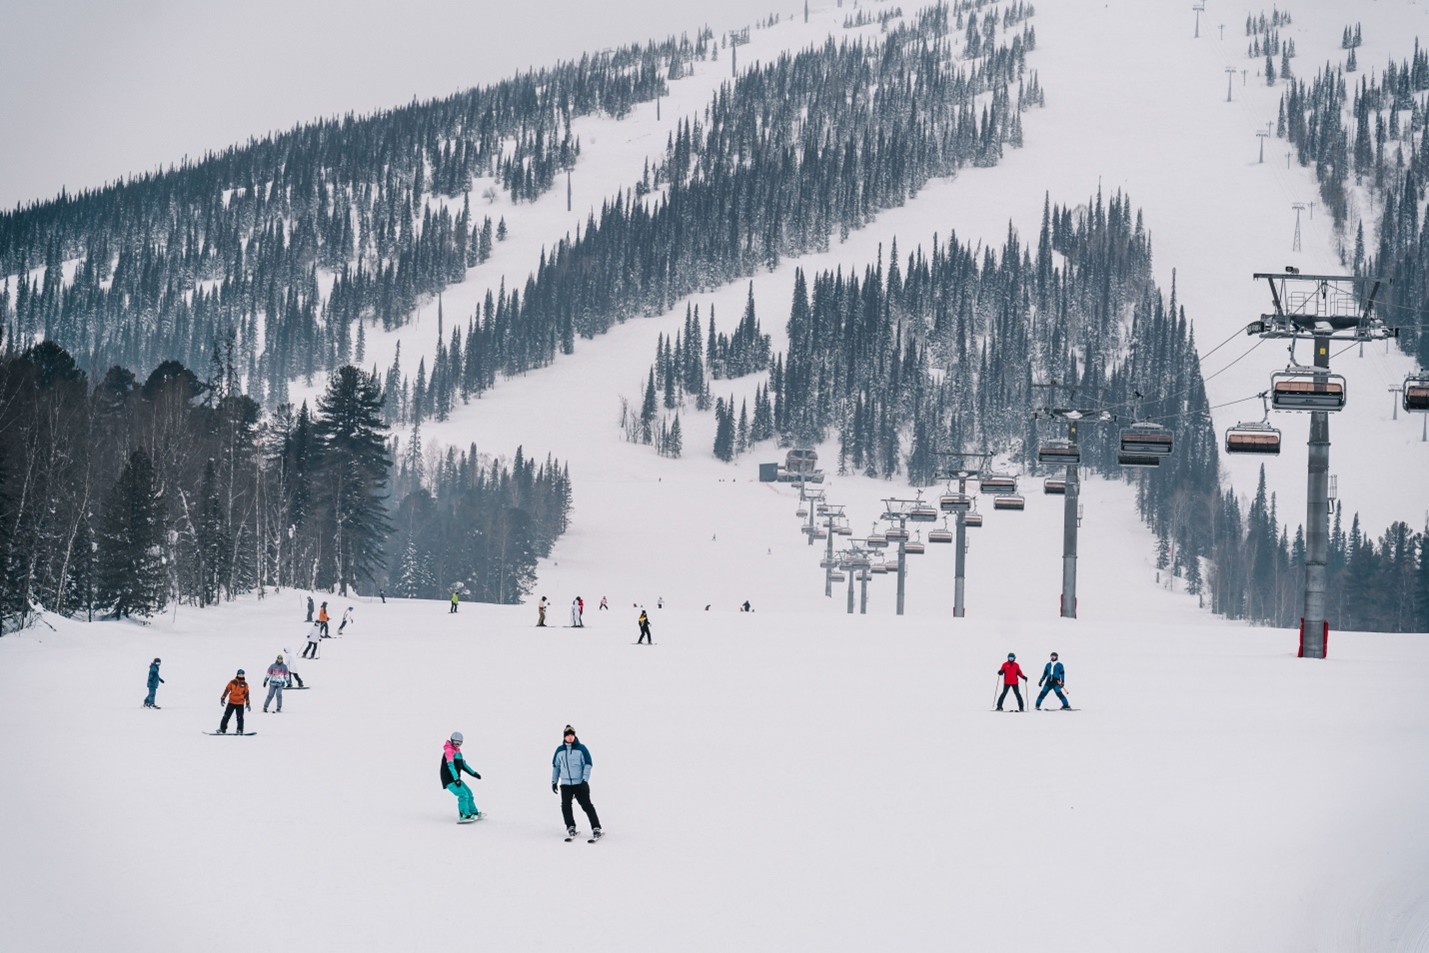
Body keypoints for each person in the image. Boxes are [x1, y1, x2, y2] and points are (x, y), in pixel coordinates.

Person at [552, 725, 602, 839]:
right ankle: (570, 827)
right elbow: (556, 767)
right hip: (565, 784)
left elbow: (588, 764)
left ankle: (596, 828)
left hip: (580, 783)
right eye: (568, 735)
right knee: (566, 806)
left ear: (574, 736)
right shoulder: (559, 750)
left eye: (572, 735)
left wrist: (584, 780)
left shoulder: (581, 749)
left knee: (587, 806)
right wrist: (554, 782)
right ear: (564, 737)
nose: (570, 737)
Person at [440, 731, 483, 821]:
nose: (457, 744)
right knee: (463, 794)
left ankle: (473, 812)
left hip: (456, 779)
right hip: (449, 779)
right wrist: (456, 779)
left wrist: (474, 773)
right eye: (455, 742)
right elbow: (450, 766)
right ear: (451, 741)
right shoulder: (449, 751)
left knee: (469, 793)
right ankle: (464, 814)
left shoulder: (458, 752)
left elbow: (463, 765)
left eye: (459, 743)